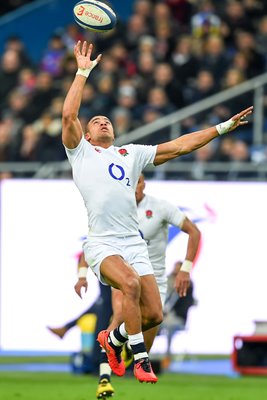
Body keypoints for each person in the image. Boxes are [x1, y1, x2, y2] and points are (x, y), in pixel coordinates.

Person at [62, 39, 253, 387]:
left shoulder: (130, 154)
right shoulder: (81, 154)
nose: (103, 122)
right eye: (96, 121)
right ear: (85, 136)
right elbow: (68, 115)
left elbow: (179, 146)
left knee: (154, 314)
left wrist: (222, 128)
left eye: (107, 120)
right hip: (103, 243)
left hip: (132, 243)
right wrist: (82, 72)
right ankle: (139, 359)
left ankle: (113, 339)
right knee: (130, 285)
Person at [94, 173, 200, 398]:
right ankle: (104, 380)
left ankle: (117, 344)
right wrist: (83, 273)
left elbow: (194, 231)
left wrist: (186, 268)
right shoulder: (112, 210)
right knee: (119, 316)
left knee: (152, 322)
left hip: (155, 280)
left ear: (144, 184)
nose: (135, 188)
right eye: (130, 184)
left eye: (138, 183)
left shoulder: (160, 208)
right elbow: (94, 240)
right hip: (125, 276)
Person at [47, 252, 113, 373]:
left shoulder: (100, 255)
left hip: (115, 299)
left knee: (101, 323)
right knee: (98, 310)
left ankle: (96, 364)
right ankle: (65, 329)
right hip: (109, 298)